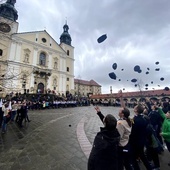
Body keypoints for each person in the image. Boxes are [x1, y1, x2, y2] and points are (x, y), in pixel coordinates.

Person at [129, 104, 152, 170]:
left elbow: (132, 132)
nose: (134, 108)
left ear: (136, 110)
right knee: (142, 156)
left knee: (133, 158)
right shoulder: (144, 118)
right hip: (142, 140)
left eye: (135, 107)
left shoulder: (134, 120)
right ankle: (149, 168)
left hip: (135, 142)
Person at [117, 90, 133, 170]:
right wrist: (121, 98)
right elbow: (124, 108)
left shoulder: (121, 123)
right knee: (127, 162)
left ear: (122, 114)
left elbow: (118, 136)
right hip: (126, 143)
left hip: (121, 145)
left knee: (121, 163)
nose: (119, 110)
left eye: (119, 111)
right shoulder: (128, 119)